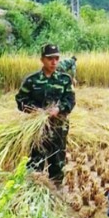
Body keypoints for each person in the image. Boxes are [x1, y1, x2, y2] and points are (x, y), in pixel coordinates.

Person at [15, 43, 76, 182]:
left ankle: (57, 194)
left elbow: (70, 101)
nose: (54, 62)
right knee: (35, 165)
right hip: (37, 130)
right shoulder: (32, 80)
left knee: (58, 165)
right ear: (42, 59)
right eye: (50, 58)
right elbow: (20, 100)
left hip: (58, 129)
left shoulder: (65, 80)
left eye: (56, 58)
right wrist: (35, 110)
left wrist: (59, 109)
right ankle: (33, 195)